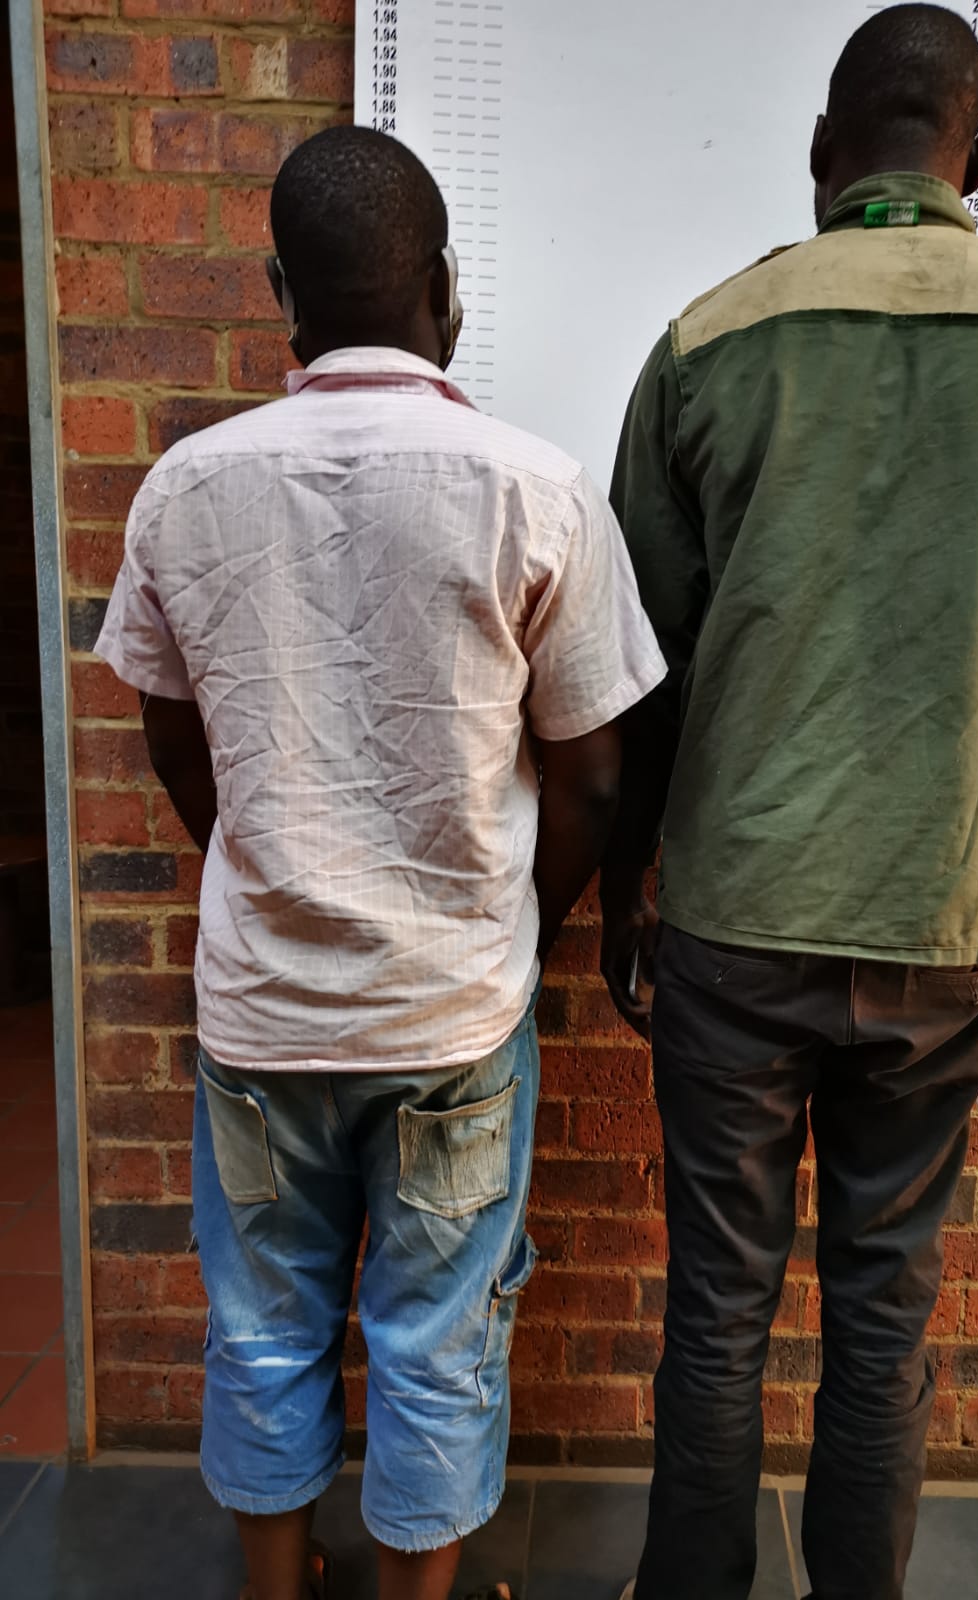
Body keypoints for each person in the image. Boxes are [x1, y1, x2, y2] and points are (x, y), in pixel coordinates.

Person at [599, 8, 978, 1600]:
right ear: (970, 162)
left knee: (718, 1312)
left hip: (736, 917)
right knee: (882, 1313)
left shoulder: (710, 341)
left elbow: (633, 667)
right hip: (943, 921)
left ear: (820, 154)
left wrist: (622, 880)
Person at [95, 125, 665, 1600]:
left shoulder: (185, 487)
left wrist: (259, 863)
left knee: (262, 1329)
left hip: (261, 1016)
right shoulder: (538, 489)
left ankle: (277, 1590)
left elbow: (171, 734)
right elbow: (597, 775)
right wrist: (514, 924)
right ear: (446, 289)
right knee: (439, 1338)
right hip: (451, 1013)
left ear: (282, 292)